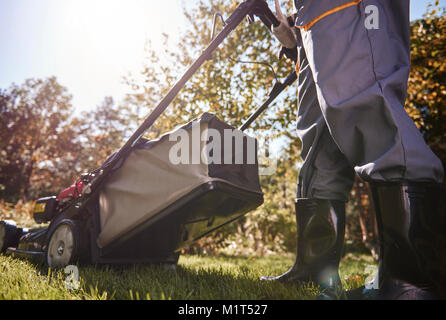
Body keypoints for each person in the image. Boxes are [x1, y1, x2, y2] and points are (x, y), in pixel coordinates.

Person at [261, 0, 446, 300]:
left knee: (365, 102)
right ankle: (316, 270)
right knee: (319, 136)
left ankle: (411, 281)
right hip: (308, 17)